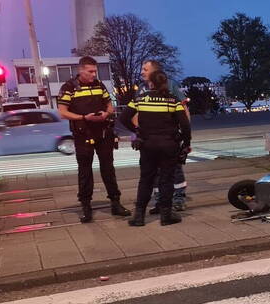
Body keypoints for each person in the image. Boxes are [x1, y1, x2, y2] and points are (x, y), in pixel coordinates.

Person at [57, 56, 130, 223]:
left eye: (95, 71)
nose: (94, 74)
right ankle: (86, 206)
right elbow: (62, 112)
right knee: (85, 171)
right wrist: (84, 117)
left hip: (103, 133)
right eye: (90, 71)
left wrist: (106, 113)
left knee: (108, 169)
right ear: (81, 71)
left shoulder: (99, 84)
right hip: (83, 134)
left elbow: (110, 105)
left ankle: (115, 203)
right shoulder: (69, 87)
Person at [119, 70, 192, 227]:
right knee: (166, 180)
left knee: (146, 179)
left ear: (150, 83)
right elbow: (185, 125)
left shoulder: (140, 99)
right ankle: (166, 215)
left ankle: (139, 216)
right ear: (165, 83)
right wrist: (186, 144)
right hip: (169, 146)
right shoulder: (172, 101)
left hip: (147, 145)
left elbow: (123, 118)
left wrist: (137, 131)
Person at [139, 61, 190, 212]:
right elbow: (136, 112)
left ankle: (178, 198)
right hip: (150, 138)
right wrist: (138, 132)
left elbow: (183, 108)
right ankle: (160, 201)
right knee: (154, 172)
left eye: (145, 69)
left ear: (154, 72)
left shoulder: (171, 85)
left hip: (169, 137)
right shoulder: (141, 88)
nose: (142, 72)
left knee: (175, 169)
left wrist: (183, 134)